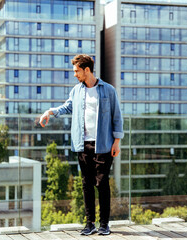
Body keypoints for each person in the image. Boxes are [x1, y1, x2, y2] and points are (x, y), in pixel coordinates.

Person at [39, 54, 124, 236]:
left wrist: (117, 141)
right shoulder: (76, 91)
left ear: (87, 70)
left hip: (104, 145)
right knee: (86, 184)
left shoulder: (108, 90)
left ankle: (104, 224)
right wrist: (50, 111)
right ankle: (89, 223)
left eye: (77, 71)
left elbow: (117, 116)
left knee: (102, 183)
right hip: (82, 144)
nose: (75, 75)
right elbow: (67, 107)